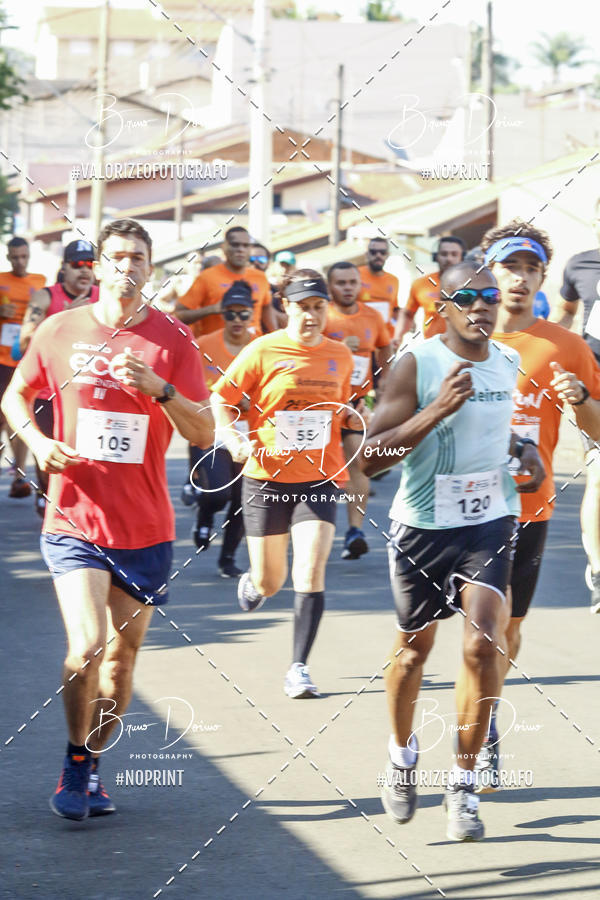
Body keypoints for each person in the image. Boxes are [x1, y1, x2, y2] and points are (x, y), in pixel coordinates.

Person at [1, 217, 213, 821]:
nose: (127, 266)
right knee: (86, 649)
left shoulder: (171, 340)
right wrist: (38, 445)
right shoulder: (60, 328)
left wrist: (161, 389)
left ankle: (93, 765)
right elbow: (14, 394)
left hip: (145, 526)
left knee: (120, 668)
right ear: (98, 265)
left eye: (138, 257)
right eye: (116, 255)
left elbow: (204, 431)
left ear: (150, 267)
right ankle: (74, 761)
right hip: (73, 516)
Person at [363, 260, 544, 841]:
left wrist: (524, 453)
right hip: (421, 525)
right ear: (441, 306)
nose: (482, 306)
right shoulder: (418, 362)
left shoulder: (508, 361)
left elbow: (498, 432)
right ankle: (400, 753)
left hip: (489, 519)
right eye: (467, 296)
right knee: (413, 654)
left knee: (482, 644)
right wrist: (435, 409)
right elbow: (369, 458)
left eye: (490, 296)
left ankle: (463, 787)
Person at [472, 223, 600, 788]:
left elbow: (597, 428)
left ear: (543, 278)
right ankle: (473, 743)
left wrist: (583, 399)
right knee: (480, 632)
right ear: (489, 272)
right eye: (509, 267)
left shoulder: (564, 347)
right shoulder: (459, 333)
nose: (519, 278)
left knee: (506, 631)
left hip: (529, 509)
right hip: (460, 509)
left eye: (530, 269)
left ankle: (487, 712)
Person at [210, 272, 353, 699]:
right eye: (302, 306)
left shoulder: (340, 356)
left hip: (320, 477)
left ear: (327, 309)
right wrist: (230, 433)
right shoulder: (262, 349)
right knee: (273, 580)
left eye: (318, 306)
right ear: (284, 308)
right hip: (266, 477)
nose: (310, 315)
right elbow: (222, 397)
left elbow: (342, 410)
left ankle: (298, 667)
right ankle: (255, 582)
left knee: (310, 568)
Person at [17, 239, 99, 516]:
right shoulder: (46, 297)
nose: (84, 271)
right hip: (47, 395)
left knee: (87, 462)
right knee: (51, 458)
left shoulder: (104, 297)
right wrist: (65, 318)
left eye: (89, 265)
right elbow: (24, 341)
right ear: (64, 268)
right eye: (77, 265)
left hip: (89, 395)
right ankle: (45, 494)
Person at [184, 280, 255, 577]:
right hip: (213, 428)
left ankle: (228, 559)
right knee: (218, 495)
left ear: (252, 314)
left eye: (243, 314)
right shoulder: (205, 345)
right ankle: (204, 513)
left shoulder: (260, 345)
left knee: (242, 500)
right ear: (222, 314)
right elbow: (190, 386)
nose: (236, 321)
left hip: (248, 430)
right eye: (230, 314)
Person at [552, 198, 600, 611]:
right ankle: (599, 571)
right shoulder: (580, 264)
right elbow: (565, 314)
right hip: (594, 383)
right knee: (599, 475)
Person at [324, 261, 391, 558]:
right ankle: (306, 525)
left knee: (357, 465)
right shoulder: (322, 316)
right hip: (321, 405)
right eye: (341, 283)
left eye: (353, 282)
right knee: (314, 470)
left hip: (356, 403)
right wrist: (334, 347)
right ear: (330, 287)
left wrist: (384, 390)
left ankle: (354, 531)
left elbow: (385, 353)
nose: (348, 288)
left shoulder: (373, 317)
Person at [0, 237, 46, 497]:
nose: (19, 261)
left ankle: (19, 474)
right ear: (8, 257)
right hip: (1, 359)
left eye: (23, 256)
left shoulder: (39, 283)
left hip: (26, 361)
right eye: (14, 257)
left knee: (22, 415)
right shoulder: (0, 279)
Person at [175, 227, 276, 338]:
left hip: (252, 350)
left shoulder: (260, 277)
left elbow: (267, 308)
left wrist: (274, 335)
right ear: (224, 247)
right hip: (215, 350)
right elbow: (180, 315)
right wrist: (212, 309)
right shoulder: (207, 277)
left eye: (245, 245)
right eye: (235, 245)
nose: (240, 249)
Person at [394, 235, 466, 345]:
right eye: (444, 254)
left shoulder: (471, 284)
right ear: (435, 257)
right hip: (432, 347)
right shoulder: (421, 284)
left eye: (454, 254)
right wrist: (397, 337)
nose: (449, 258)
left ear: (462, 257)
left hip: (464, 347)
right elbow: (407, 314)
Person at [357, 237, 399, 340]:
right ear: (366, 254)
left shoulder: (393, 280)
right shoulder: (356, 275)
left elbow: (394, 309)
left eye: (382, 252)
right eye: (373, 252)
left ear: (387, 255)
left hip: (386, 338)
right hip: (361, 335)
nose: (378, 256)